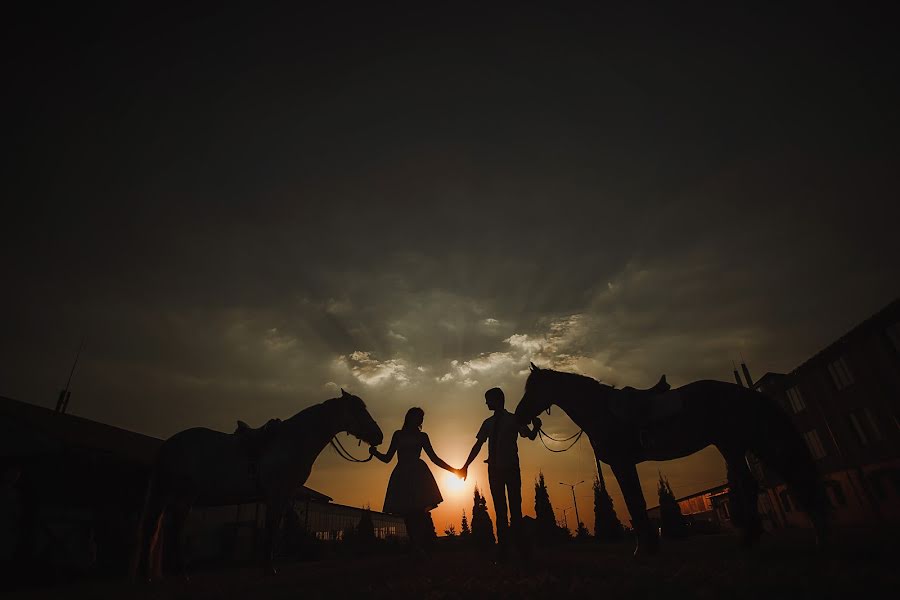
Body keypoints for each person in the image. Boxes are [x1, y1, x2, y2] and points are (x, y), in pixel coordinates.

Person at [460, 387, 541, 562]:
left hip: (510, 469)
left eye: (488, 399)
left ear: (498, 400)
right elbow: (478, 445)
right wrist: (465, 465)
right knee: (500, 511)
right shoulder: (487, 423)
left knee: (515, 510)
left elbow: (530, 436)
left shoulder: (514, 419)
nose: (486, 403)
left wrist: (536, 427)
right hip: (495, 471)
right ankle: (504, 550)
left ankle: (520, 549)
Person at [369, 407, 461, 556]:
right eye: (419, 417)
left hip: (418, 476)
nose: (421, 420)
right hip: (402, 476)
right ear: (410, 417)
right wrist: (375, 453)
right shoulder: (398, 435)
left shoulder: (423, 436)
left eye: (422, 418)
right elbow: (387, 458)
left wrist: (454, 470)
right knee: (408, 513)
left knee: (418, 512)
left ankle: (417, 546)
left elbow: (434, 458)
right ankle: (415, 546)